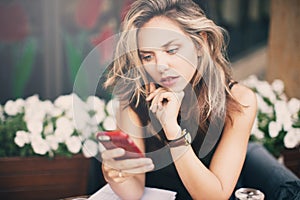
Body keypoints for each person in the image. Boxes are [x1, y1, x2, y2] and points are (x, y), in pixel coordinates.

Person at [100, 0, 299, 199]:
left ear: (199, 43)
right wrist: (116, 175)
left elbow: (214, 196)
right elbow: (133, 192)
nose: (160, 65)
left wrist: (172, 131)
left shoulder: (238, 100)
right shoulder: (134, 101)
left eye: (171, 50)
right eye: (147, 56)